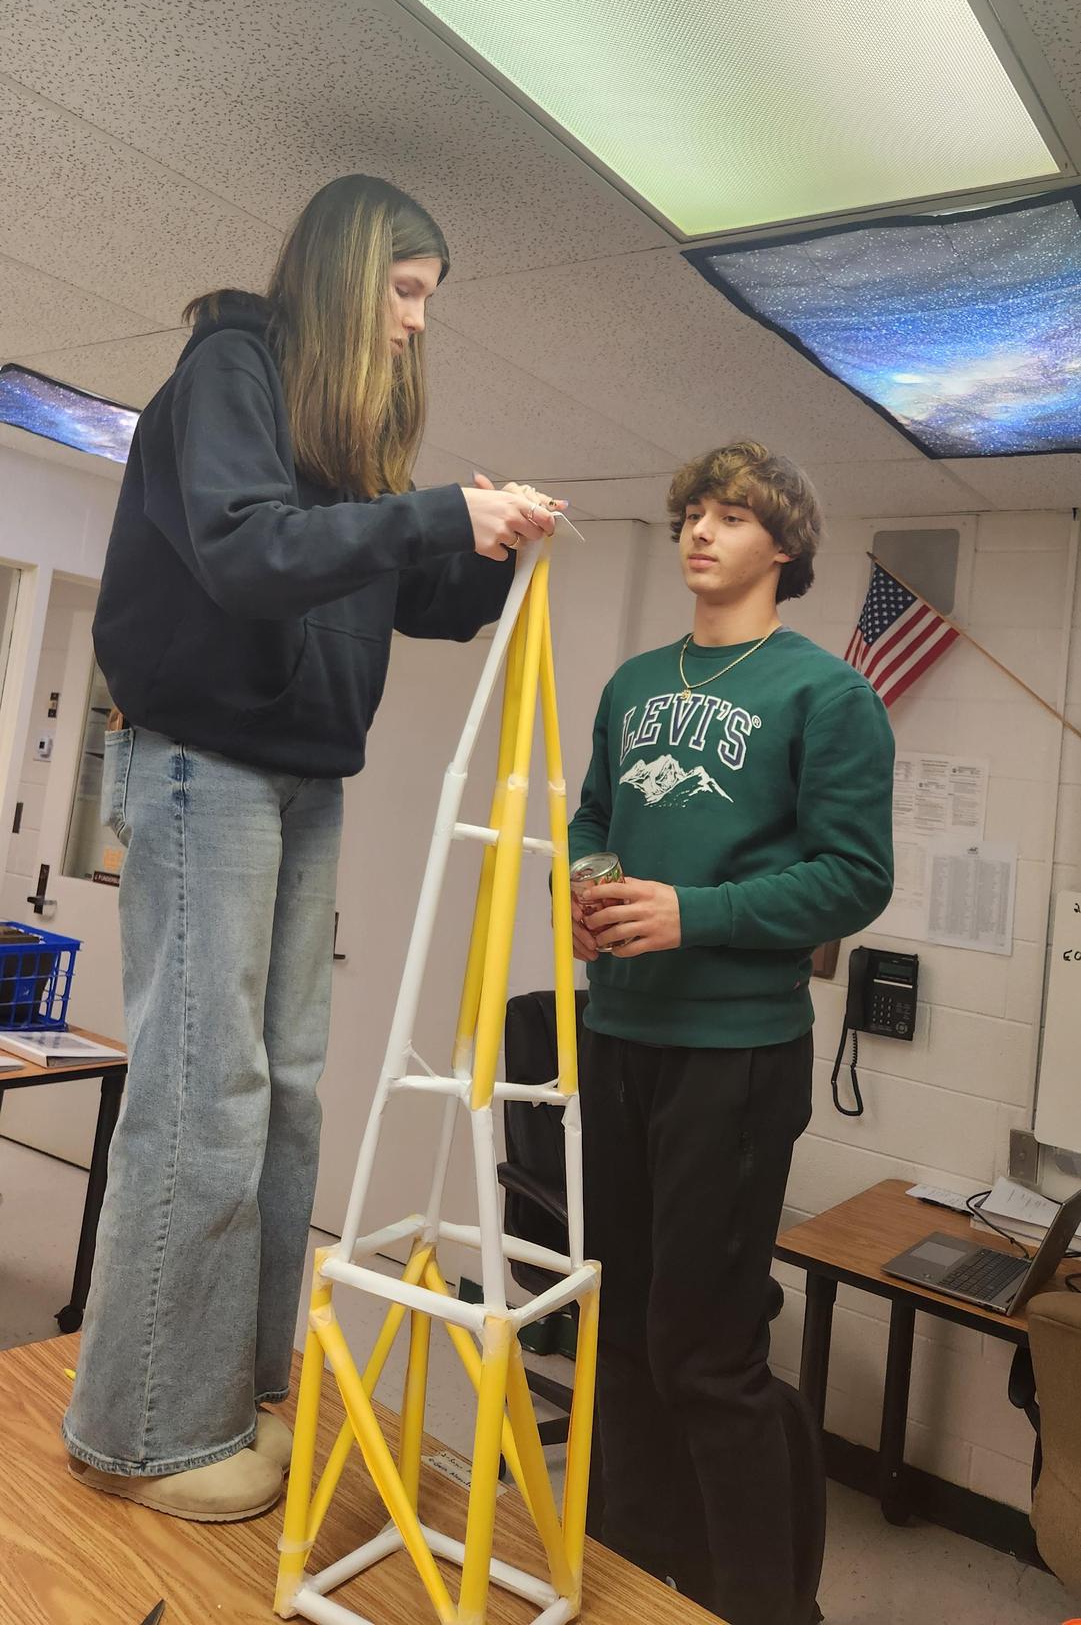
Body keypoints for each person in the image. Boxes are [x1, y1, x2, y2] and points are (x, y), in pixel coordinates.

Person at [64, 173, 564, 1521]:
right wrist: (429, 513)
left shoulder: (345, 448)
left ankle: (226, 1400)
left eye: (427, 304)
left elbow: (415, 592)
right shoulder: (231, 364)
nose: (415, 324)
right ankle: (140, 1431)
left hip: (301, 779)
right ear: (348, 278)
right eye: (405, 293)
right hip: (202, 765)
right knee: (204, 1096)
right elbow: (241, 553)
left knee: (284, 1102)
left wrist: (492, 541)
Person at [567, 441, 894, 1625]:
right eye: (689, 514)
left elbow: (854, 880)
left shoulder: (824, 692)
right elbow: (591, 816)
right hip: (618, 1038)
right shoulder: (632, 684)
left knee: (705, 1355)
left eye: (731, 515)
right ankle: (626, 1574)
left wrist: (689, 912)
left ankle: (761, 1607)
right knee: (618, 1330)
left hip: (737, 1056)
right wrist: (590, 891)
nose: (700, 532)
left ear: (785, 545)